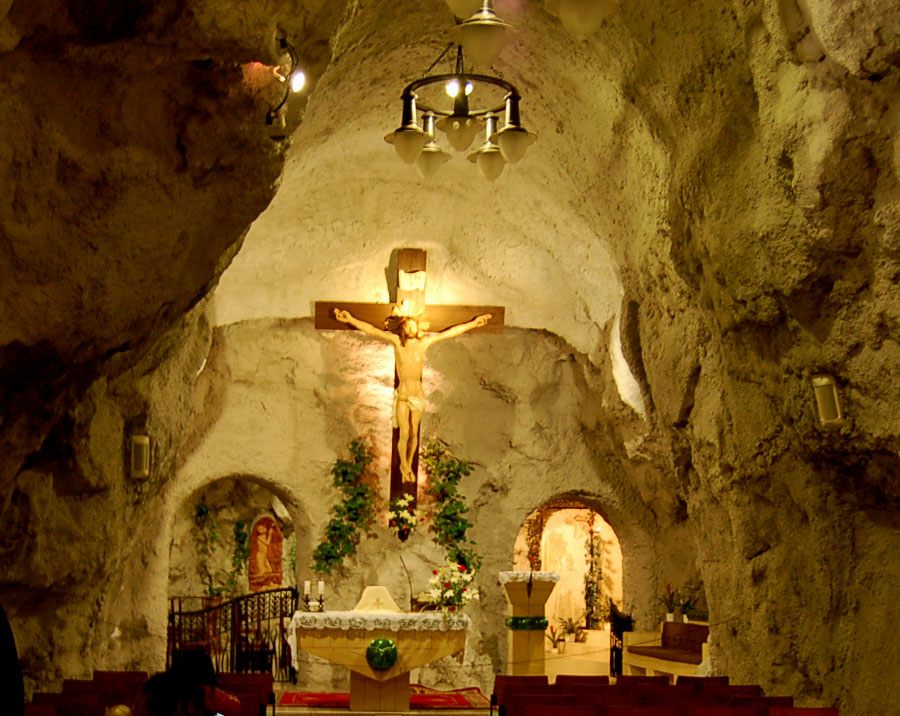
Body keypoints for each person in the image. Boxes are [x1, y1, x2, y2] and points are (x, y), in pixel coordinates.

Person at [334, 307, 491, 483]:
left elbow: (449, 333)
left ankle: (409, 462)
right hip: (403, 395)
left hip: (417, 394)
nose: (411, 329)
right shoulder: (396, 341)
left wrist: (474, 323)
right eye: (407, 326)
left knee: (414, 432)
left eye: (413, 325)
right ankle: (404, 466)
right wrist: (350, 319)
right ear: (402, 328)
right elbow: (371, 329)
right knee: (404, 433)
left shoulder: (423, 343)